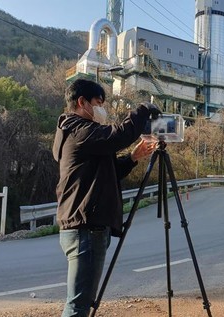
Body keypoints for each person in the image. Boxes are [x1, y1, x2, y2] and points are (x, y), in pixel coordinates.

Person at [52, 78, 161, 317]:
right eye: (99, 102)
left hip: (84, 226)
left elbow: (107, 173)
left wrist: (132, 158)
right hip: (86, 228)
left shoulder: (79, 135)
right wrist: (143, 109)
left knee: (80, 302)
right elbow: (117, 135)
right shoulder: (79, 129)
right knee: (78, 305)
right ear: (82, 102)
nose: (103, 109)